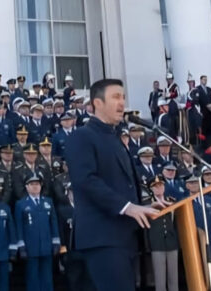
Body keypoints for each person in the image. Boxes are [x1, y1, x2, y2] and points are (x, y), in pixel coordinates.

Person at [63, 78, 157, 291]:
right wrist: (127, 207)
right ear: (97, 103)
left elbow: (121, 184)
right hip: (101, 238)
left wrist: (142, 206)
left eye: (123, 97)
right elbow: (86, 180)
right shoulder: (82, 136)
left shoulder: (115, 139)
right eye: (115, 97)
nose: (122, 103)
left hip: (125, 237)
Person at [15, 173, 59, 291]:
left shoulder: (48, 202)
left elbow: (53, 222)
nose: (35, 186)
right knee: (32, 277)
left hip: (46, 245)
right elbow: (19, 226)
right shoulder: (21, 204)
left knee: (47, 277)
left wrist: (56, 241)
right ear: (26, 186)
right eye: (32, 184)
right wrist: (21, 245)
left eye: (37, 184)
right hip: (30, 246)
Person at [145, 176, 179, 291]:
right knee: (160, 280)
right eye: (155, 186)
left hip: (172, 242)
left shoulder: (171, 200)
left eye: (161, 185)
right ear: (151, 189)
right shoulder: (147, 203)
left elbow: (176, 223)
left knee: (174, 278)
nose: (159, 188)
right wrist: (147, 245)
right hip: (157, 243)